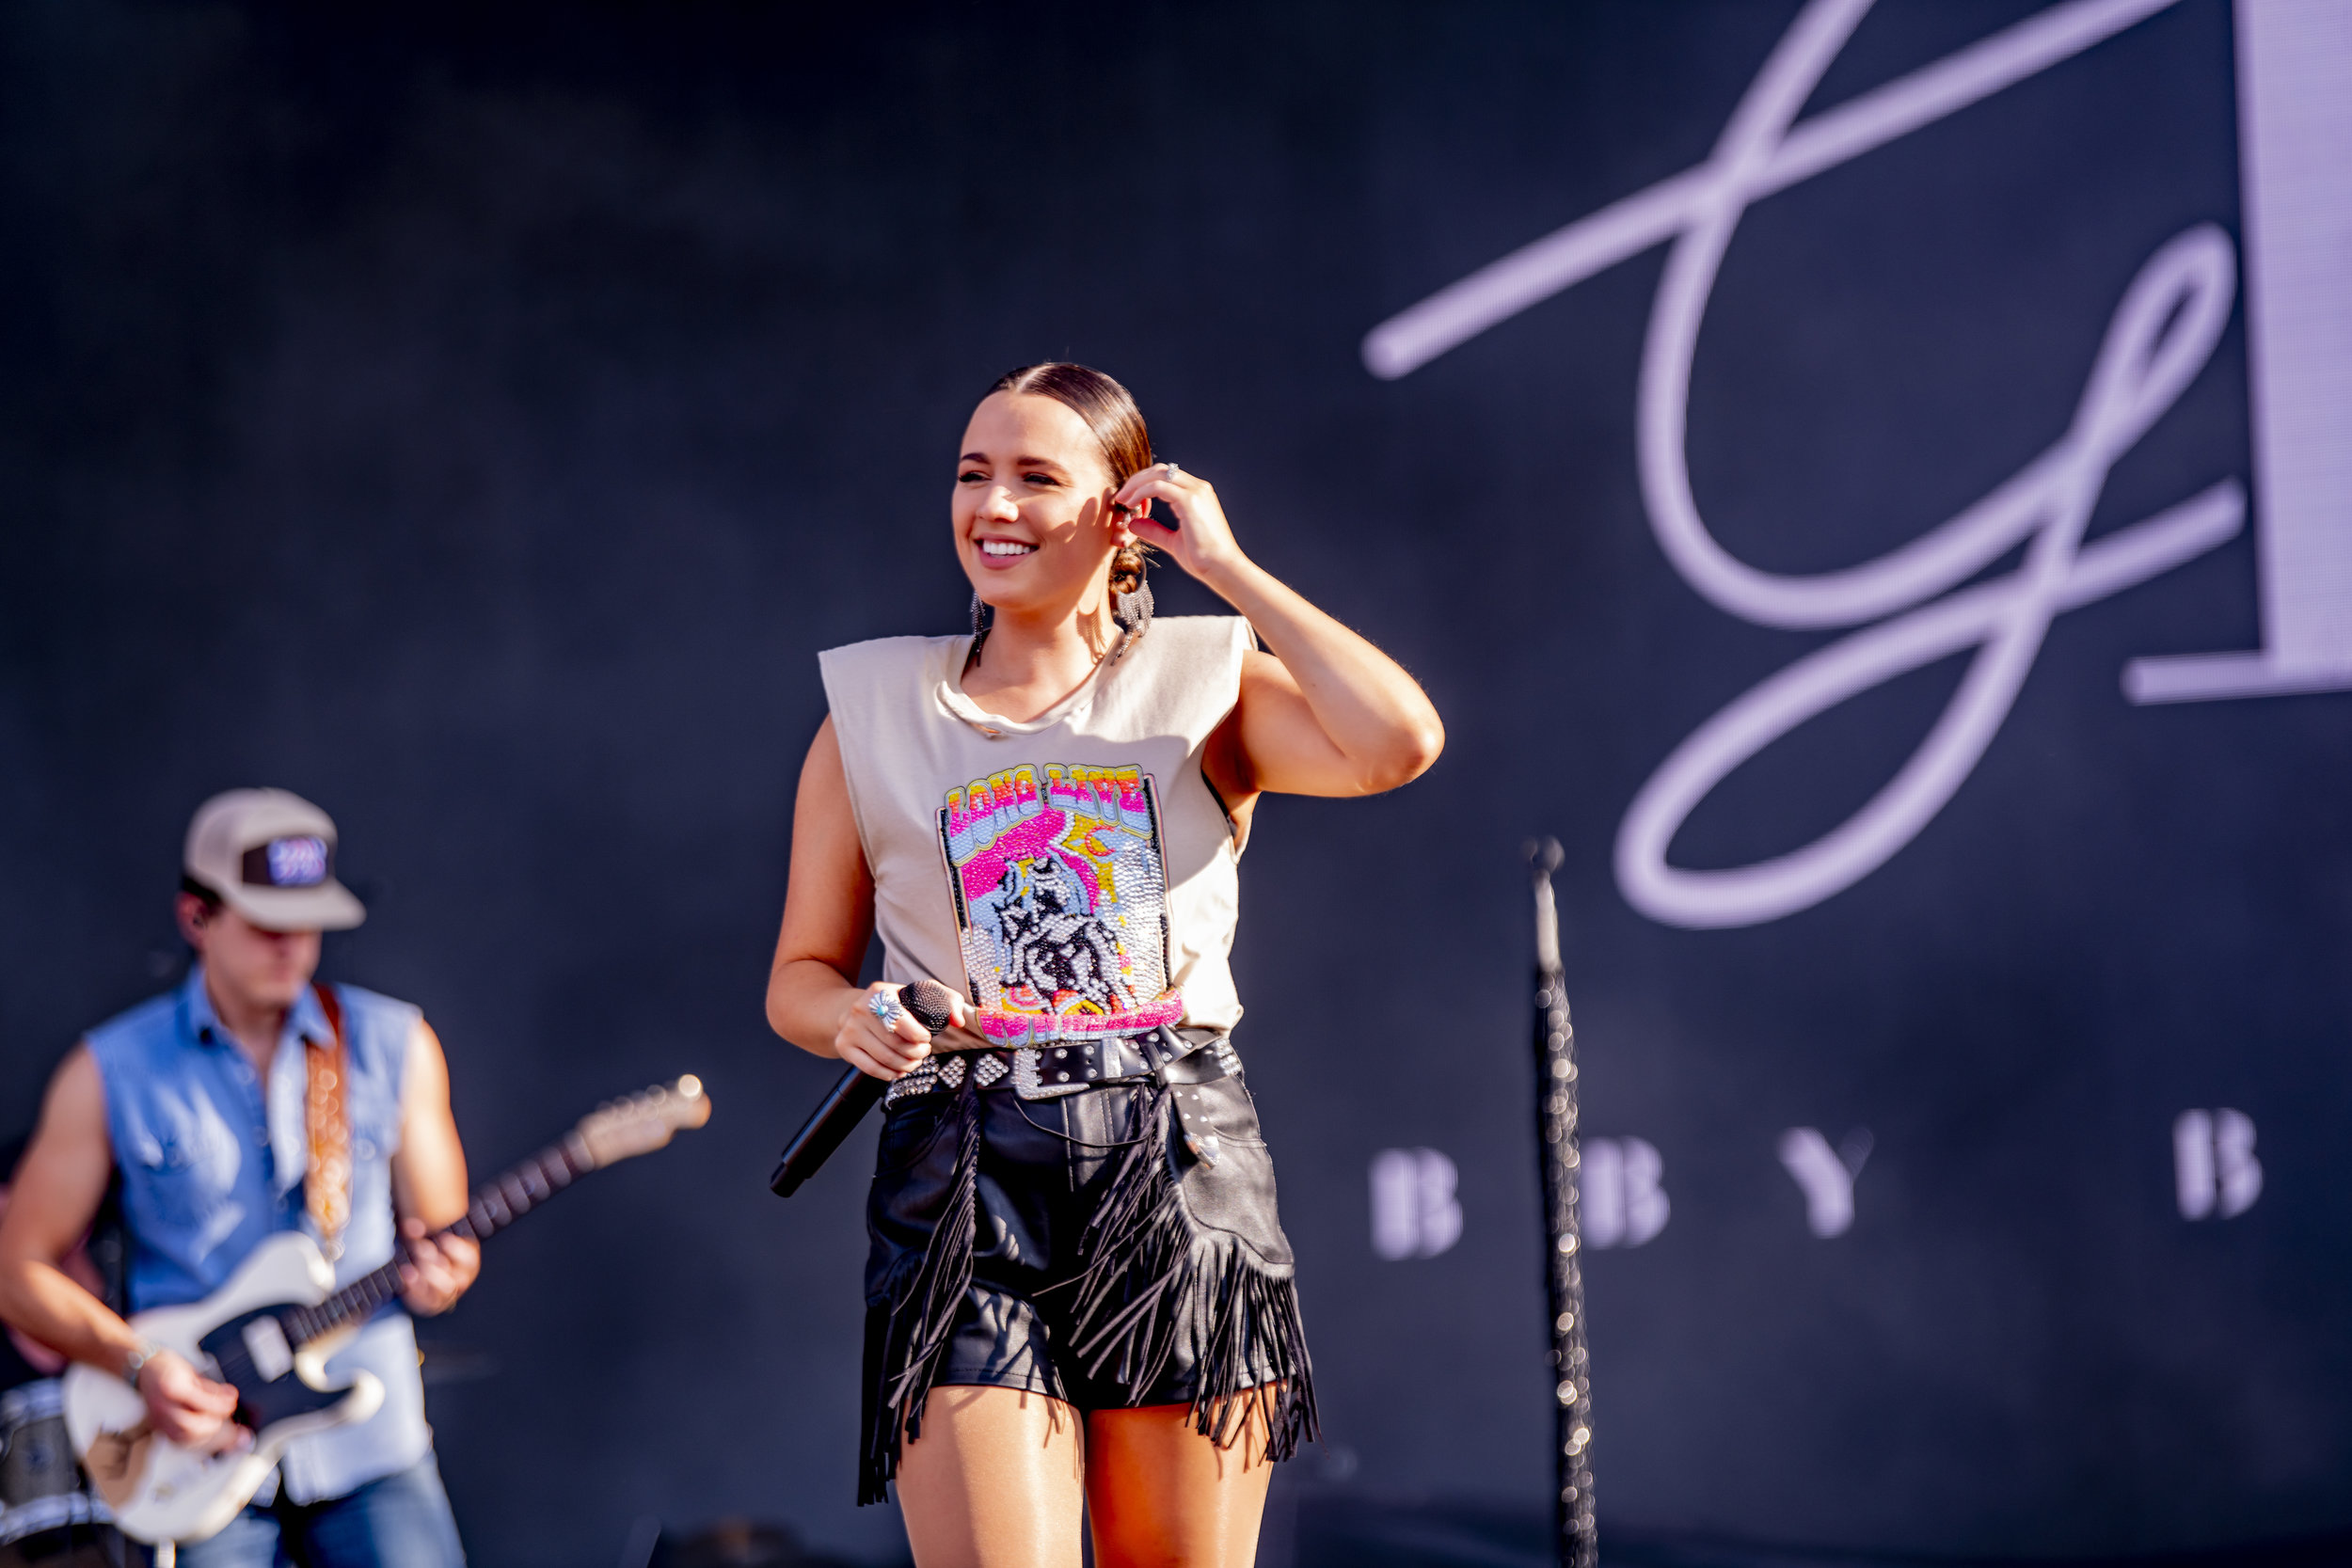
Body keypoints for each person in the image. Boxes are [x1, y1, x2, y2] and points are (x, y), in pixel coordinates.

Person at [766, 363, 1444, 1568]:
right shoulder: (870, 709)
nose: (994, 505)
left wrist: (1226, 567)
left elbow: (1397, 742)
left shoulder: (1203, 682)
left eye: (1036, 477)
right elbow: (801, 974)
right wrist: (854, 1015)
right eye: (973, 474)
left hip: (1174, 1158)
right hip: (960, 1172)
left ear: (1124, 512)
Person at [0, 789, 477, 1567]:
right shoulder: (110, 1069)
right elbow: (16, 1272)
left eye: (309, 924)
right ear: (197, 917)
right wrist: (139, 1364)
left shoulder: (395, 1043)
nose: (293, 947)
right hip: (197, 1452)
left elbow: (444, 1246)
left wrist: (444, 1277)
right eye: (266, 925)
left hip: (371, 1443)